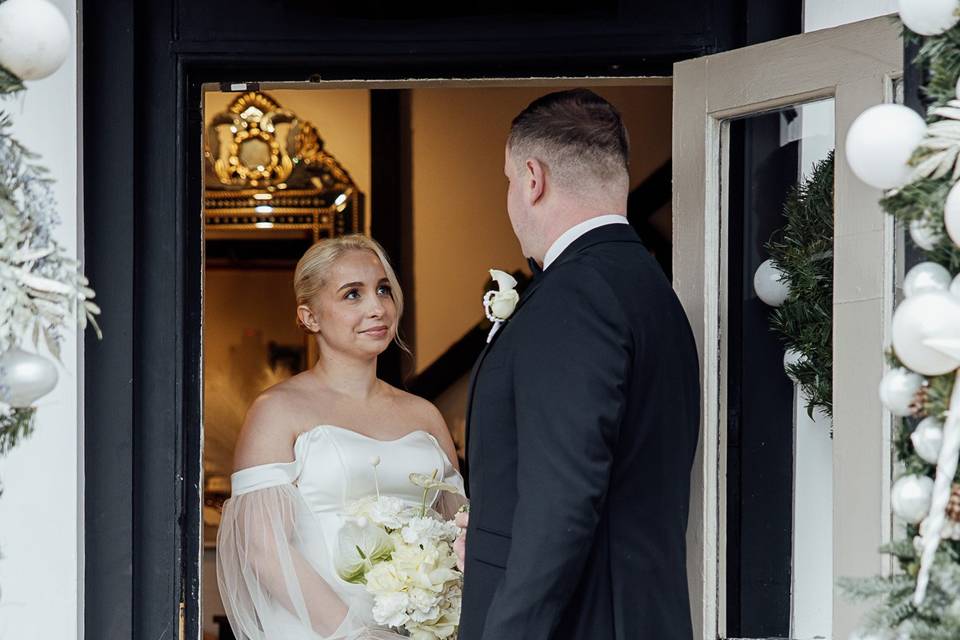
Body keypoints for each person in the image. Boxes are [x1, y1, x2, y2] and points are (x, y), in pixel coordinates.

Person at [456, 89, 701, 640]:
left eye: (508, 181)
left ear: (532, 177)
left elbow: (560, 500)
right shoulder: (650, 289)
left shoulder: (574, 297)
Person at [216, 235, 464, 639]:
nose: (377, 307)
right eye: (353, 294)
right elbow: (261, 549)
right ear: (310, 317)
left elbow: (460, 534)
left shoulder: (426, 416)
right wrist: (359, 635)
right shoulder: (277, 411)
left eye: (383, 289)